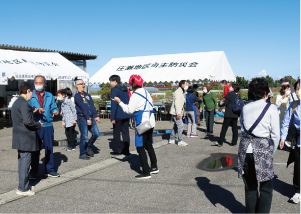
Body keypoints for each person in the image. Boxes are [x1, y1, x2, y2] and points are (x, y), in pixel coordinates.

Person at [238, 78, 279, 214]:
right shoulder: (271, 108)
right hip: (262, 149)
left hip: (245, 150)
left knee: (250, 187)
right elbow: (275, 135)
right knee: (266, 188)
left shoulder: (245, 108)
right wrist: (271, 153)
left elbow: (243, 129)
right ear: (265, 93)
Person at [112, 74, 158, 179]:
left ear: (132, 83)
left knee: (140, 147)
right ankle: (154, 167)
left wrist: (119, 102)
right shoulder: (146, 92)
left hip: (142, 122)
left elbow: (129, 110)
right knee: (148, 145)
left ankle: (146, 172)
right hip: (150, 121)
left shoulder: (136, 95)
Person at [11, 82, 43, 196]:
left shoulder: (16, 102)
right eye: (32, 92)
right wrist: (38, 124)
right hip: (26, 138)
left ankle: (23, 185)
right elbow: (28, 122)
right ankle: (23, 188)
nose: (32, 95)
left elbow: (22, 118)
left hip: (19, 137)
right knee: (25, 163)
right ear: (28, 91)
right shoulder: (24, 104)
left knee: (22, 162)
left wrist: (31, 112)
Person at [28, 75, 60, 178]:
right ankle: (33, 171)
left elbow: (54, 107)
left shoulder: (49, 95)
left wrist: (55, 111)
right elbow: (27, 110)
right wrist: (37, 110)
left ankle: (49, 170)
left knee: (49, 148)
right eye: (36, 83)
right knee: (35, 149)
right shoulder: (31, 95)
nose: (38, 85)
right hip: (36, 125)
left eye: (40, 83)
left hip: (48, 125)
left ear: (44, 84)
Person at [280, 79, 301, 204]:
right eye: (296, 89)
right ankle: (298, 192)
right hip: (298, 141)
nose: (296, 91)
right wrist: (282, 137)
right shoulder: (294, 105)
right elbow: (286, 122)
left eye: (298, 88)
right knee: (298, 167)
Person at [74, 78, 101, 160]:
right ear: (77, 85)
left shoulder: (87, 95)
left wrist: (95, 115)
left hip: (91, 118)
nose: (83, 85)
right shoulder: (77, 96)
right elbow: (83, 107)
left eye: (84, 83)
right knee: (84, 137)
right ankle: (82, 154)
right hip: (82, 118)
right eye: (81, 84)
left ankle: (88, 146)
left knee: (96, 133)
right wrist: (88, 118)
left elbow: (92, 106)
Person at [109, 75, 132, 156]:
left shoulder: (115, 90)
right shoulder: (125, 89)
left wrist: (112, 117)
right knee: (125, 132)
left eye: (111, 81)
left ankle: (118, 149)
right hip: (126, 113)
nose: (110, 83)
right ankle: (126, 150)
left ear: (115, 81)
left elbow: (114, 104)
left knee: (116, 132)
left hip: (118, 114)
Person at [169, 80, 188, 146]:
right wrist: (178, 113)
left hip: (179, 112)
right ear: (182, 85)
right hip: (176, 112)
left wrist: (183, 112)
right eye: (186, 84)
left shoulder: (182, 92)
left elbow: (183, 104)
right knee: (180, 126)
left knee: (176, 126)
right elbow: (177, 103)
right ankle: (180, 140)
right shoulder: (178, 92)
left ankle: (171, 139)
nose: (187, 85)